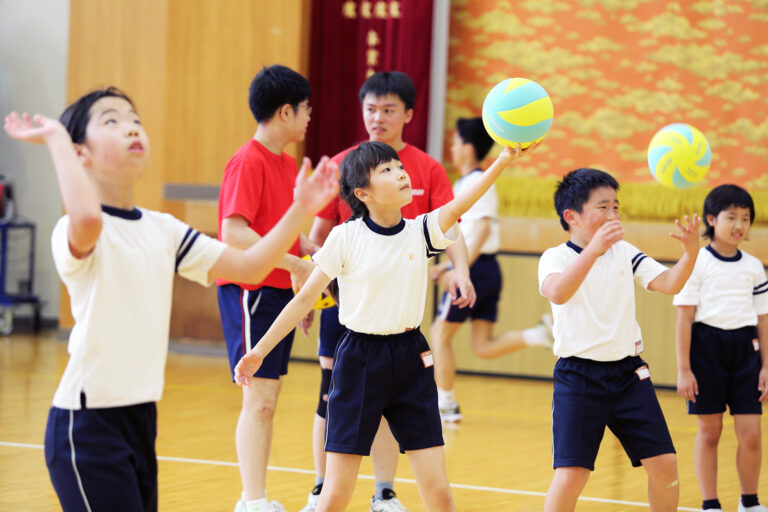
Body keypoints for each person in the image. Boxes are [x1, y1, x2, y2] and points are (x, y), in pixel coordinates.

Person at [2, 87, 338, 512]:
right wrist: (54, 139)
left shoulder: (162, 228)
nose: (130, 127)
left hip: (140, 417)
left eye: (134, 119)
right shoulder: (74, 227)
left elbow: (251, 267)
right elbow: (88, 217)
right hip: (85, 425)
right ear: (80, 153)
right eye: (111, 121)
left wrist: (299, 209)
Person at [235, 139, 536, 512]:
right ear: (363, 192)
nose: (401, 174)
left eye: (400, 167)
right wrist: (259, 352)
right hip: (359, 360)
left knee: (438, 491)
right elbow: (302, 301)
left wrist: (504, 160)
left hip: (412, 358)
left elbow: (462, 204)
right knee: (335, 495)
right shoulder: (345, 237)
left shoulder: (422, 230)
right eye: (387, 171)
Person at [304, 71, 476, 512]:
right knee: (333, 392)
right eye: (370, 109)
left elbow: (450, 224)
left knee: (389, 405)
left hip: (401, 310)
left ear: (408, 114)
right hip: (350, 308)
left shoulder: (426, 168)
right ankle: (325, 485)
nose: (378, 117)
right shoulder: (346, 164)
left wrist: (462, 272)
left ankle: (383, 491)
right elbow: (319, 235)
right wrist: (312, 289)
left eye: (388, 109)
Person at [538, 168, 701, 512]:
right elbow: (558, 292)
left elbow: (669, 283)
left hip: (630, 376)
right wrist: (593, 251)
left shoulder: (624, 251)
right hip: (578, 378)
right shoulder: (556, 257)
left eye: (616, 206)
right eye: (603, 207)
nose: (613, 214)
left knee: (665, 464)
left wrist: (691, 253)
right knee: (571, 476)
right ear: (572, 217)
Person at [216, 65, 321, 512]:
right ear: (285, 111)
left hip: (279, 290)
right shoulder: (248, 160)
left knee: (268, 398)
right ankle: (252, 500)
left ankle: (255, 498)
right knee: (258, 399)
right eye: (305, 110)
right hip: (250, 290)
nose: (310, 117)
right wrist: (298, 264)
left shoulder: (285, 164)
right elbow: (233, 233)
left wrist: (309, 279)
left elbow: (288, 236)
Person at [428, 117, 553, 423]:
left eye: (456, 142)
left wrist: (457, 269)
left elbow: (481, 231)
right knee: (482, 346)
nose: (452, 148)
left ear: (469, 148)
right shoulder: (464, 183)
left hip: (476, 270)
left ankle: (445, 405)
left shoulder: (476, 183)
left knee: (438, 335)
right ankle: (538, 335)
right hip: (486, 270)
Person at [673, 184, 768, 512]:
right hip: (706, 351)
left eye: (746, 218)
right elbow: (684, 319)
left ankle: (750, 502)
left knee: (752, 433)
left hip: (746, 353)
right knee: (710, 430)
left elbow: (763, 319)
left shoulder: (754, 266)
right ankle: (710, 503)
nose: (740, 224)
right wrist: (684, 370)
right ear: (711, 219)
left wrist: (766, 366)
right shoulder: (696, 262)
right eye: (732, 217)